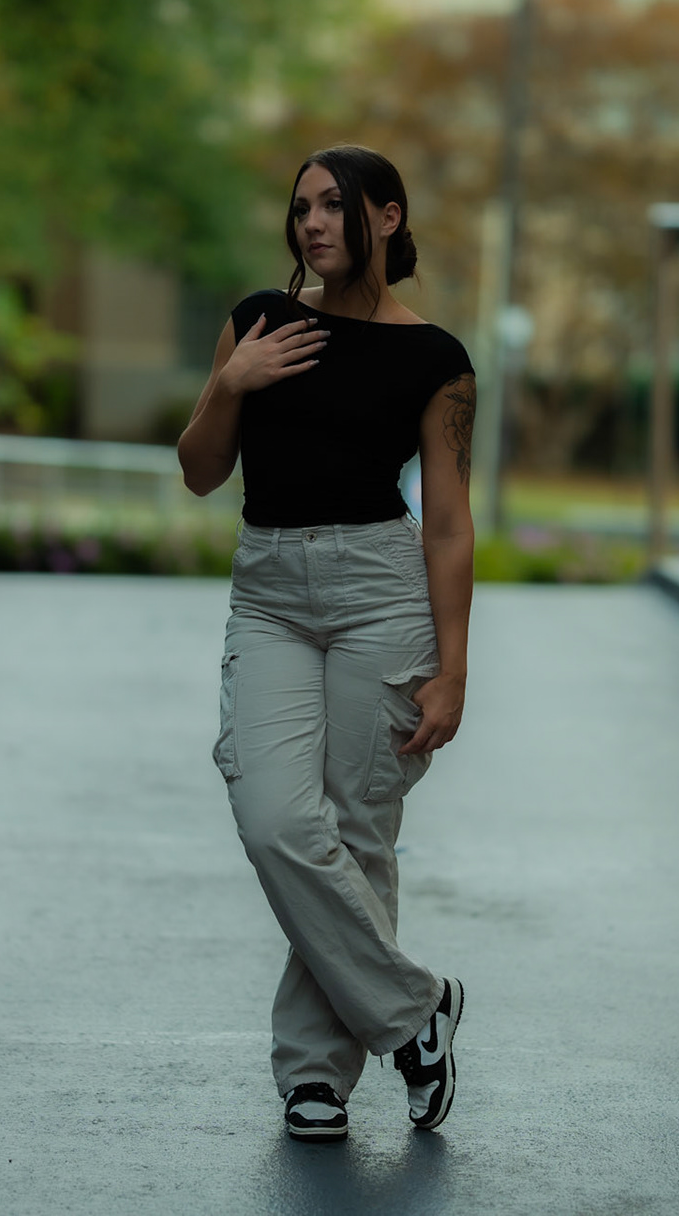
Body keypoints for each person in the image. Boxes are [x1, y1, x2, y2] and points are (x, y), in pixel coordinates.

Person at [177, 145, 476, 1141]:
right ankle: (416, 1012)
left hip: (378, 591)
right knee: (274, 819)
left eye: (333, 204)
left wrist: (453, 669)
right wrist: (231, 382)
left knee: (356, 832)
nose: (311, 222)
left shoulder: (436, 359)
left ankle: (315, 1073)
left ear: (386, 216)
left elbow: (448, 524)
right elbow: (198, 471)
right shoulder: (258, 320)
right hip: (269, 591)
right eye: (300, 205)